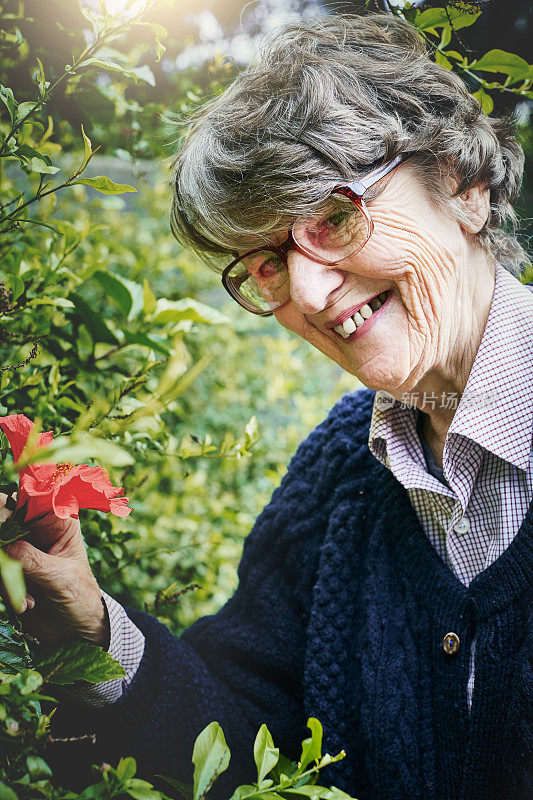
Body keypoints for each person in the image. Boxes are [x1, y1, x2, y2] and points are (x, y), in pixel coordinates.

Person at [1, 12, 532, 800]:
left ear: (463, 183)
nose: (311, 294)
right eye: (267, 262)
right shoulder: (340, 470)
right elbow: (249, 748)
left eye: (334, 217)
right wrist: (88, 626)